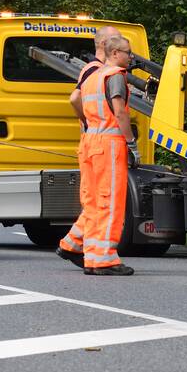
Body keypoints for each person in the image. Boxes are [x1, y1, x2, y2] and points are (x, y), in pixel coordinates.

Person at [56, 25, 121, 269]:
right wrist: (89, 121)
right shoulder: (97, 70)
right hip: (100, 142)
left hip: (92, 141)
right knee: (102, 201)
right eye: (116, 40)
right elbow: (74, 98)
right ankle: (94, 254)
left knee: (94, 201)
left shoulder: (93, 70)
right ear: (105, 45)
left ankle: (72, 244)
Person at [77, 35, 138, 276]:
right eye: (127, 52)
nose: (130, 57)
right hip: (109, 144)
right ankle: (105, 259)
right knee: (111, 202)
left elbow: (76, 102)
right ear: (114, 53)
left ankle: (92, 258)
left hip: (91, 141)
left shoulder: (92, 77)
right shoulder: (115, 76)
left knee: (93, 203)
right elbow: (120, 113)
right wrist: (131, 142)